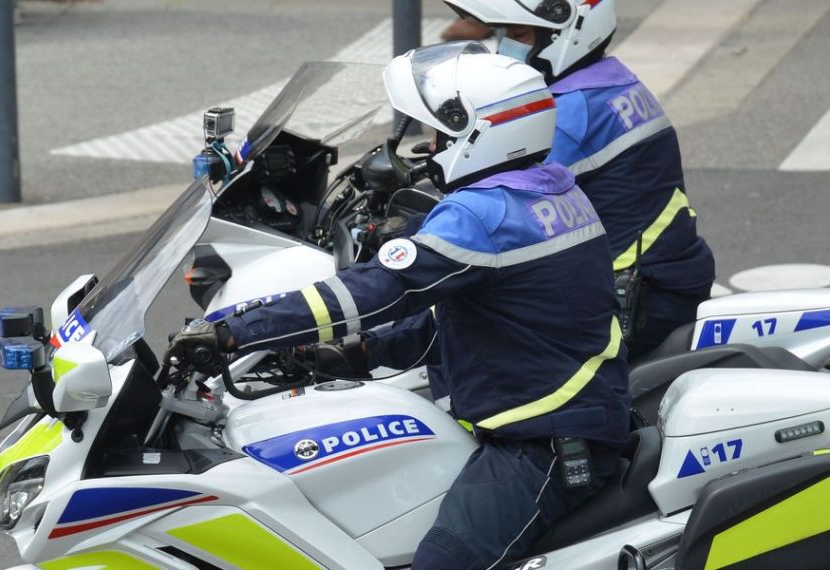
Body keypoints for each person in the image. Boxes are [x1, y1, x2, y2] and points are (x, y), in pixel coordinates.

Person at [169, 42, 630, 569]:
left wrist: (233, 330)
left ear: (478, 132)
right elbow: (481, 321)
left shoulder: (485, 216)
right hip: (559, 413)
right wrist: (353, 355)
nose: (429, 148)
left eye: (437, 133)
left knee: (442, 560)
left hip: (545, 441)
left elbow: (372, 291)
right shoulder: (552, 191)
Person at [443, 0, 716, 358]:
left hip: (633, 302)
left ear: (565, 34)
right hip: (667, 279)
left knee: (466, 335)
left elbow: (502, 203)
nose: (507, 46)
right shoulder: (610, 81)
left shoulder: (569, 117)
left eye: (519, 34)